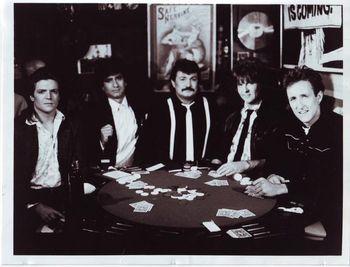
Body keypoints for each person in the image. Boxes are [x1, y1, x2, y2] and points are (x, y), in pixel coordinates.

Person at [246, 66, 342, 238]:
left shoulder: (340, 130)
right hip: (291, 205)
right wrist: (273, 175)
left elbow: (331, 186)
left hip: (327, 214)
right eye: (293, 99)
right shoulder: (286, 125)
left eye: (304, 96)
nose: (299, 106)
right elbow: (274, 161)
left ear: (318, 97)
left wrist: (282, 188)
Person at [14, 67, 84, 235]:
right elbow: (10, 177)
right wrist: (34, 205)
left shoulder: (70, 125)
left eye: (54, 91)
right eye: (42, 91)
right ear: (32, 96)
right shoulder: (17, 129)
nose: (49, 96)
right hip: (28, 201)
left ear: (59, 95)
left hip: (64, 198)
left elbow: (79, 166)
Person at [137, 59, 218, 167]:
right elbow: (147, 147)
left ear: (198, 82)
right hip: (168, 173)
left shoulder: (211, 108)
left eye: (193, 79)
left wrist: (216, 160)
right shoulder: (159, 110)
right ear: (173, 83)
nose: (188, 84)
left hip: (203, 171)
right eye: (183, 79)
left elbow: (220, 142)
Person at [215, 58, 283, 177]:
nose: (245, 90)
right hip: (225, 176)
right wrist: (216, 162)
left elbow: (275, 160)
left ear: (260, 83)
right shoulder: (231, 116)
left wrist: (246, 164)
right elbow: (221, 151)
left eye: (250, 83)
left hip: (255, 180)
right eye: (240, 84)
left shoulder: (274, 118)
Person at [86, 58, 145, 168]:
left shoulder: (139, 107)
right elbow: (87, 153)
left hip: (137, 170)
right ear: (102, 87)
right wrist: (102, 141)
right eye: (109, 80)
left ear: (125, 81)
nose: (115, 85)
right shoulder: (93, 114)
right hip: (107, 172)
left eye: (118, 78)